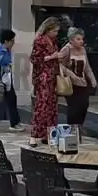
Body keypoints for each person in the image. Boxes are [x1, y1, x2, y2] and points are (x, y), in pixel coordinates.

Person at [28, 16, 63, 145]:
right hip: (43, 77)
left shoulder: (53, 41)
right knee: (42, 106)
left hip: (53, 76)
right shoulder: (40, 41)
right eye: (54, 31)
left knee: (52, 107)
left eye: (57, 31)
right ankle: (34, 135)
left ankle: (47, 135)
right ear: (47, 29)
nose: (55, 34)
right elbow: (35, 59)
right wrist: (51, 57)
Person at [60, 28, 97, 132]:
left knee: (84, 104)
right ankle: (72, 128)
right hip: (70, 83)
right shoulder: (66, 49)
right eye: (78, 39)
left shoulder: (83, 50)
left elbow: (87, 67)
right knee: (74, 107)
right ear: (71, 40)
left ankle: (79, 125)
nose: (81, 41)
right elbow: (59, 64)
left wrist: (92, 79)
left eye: (82, 39)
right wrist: (69, 73)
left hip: (82, 82)